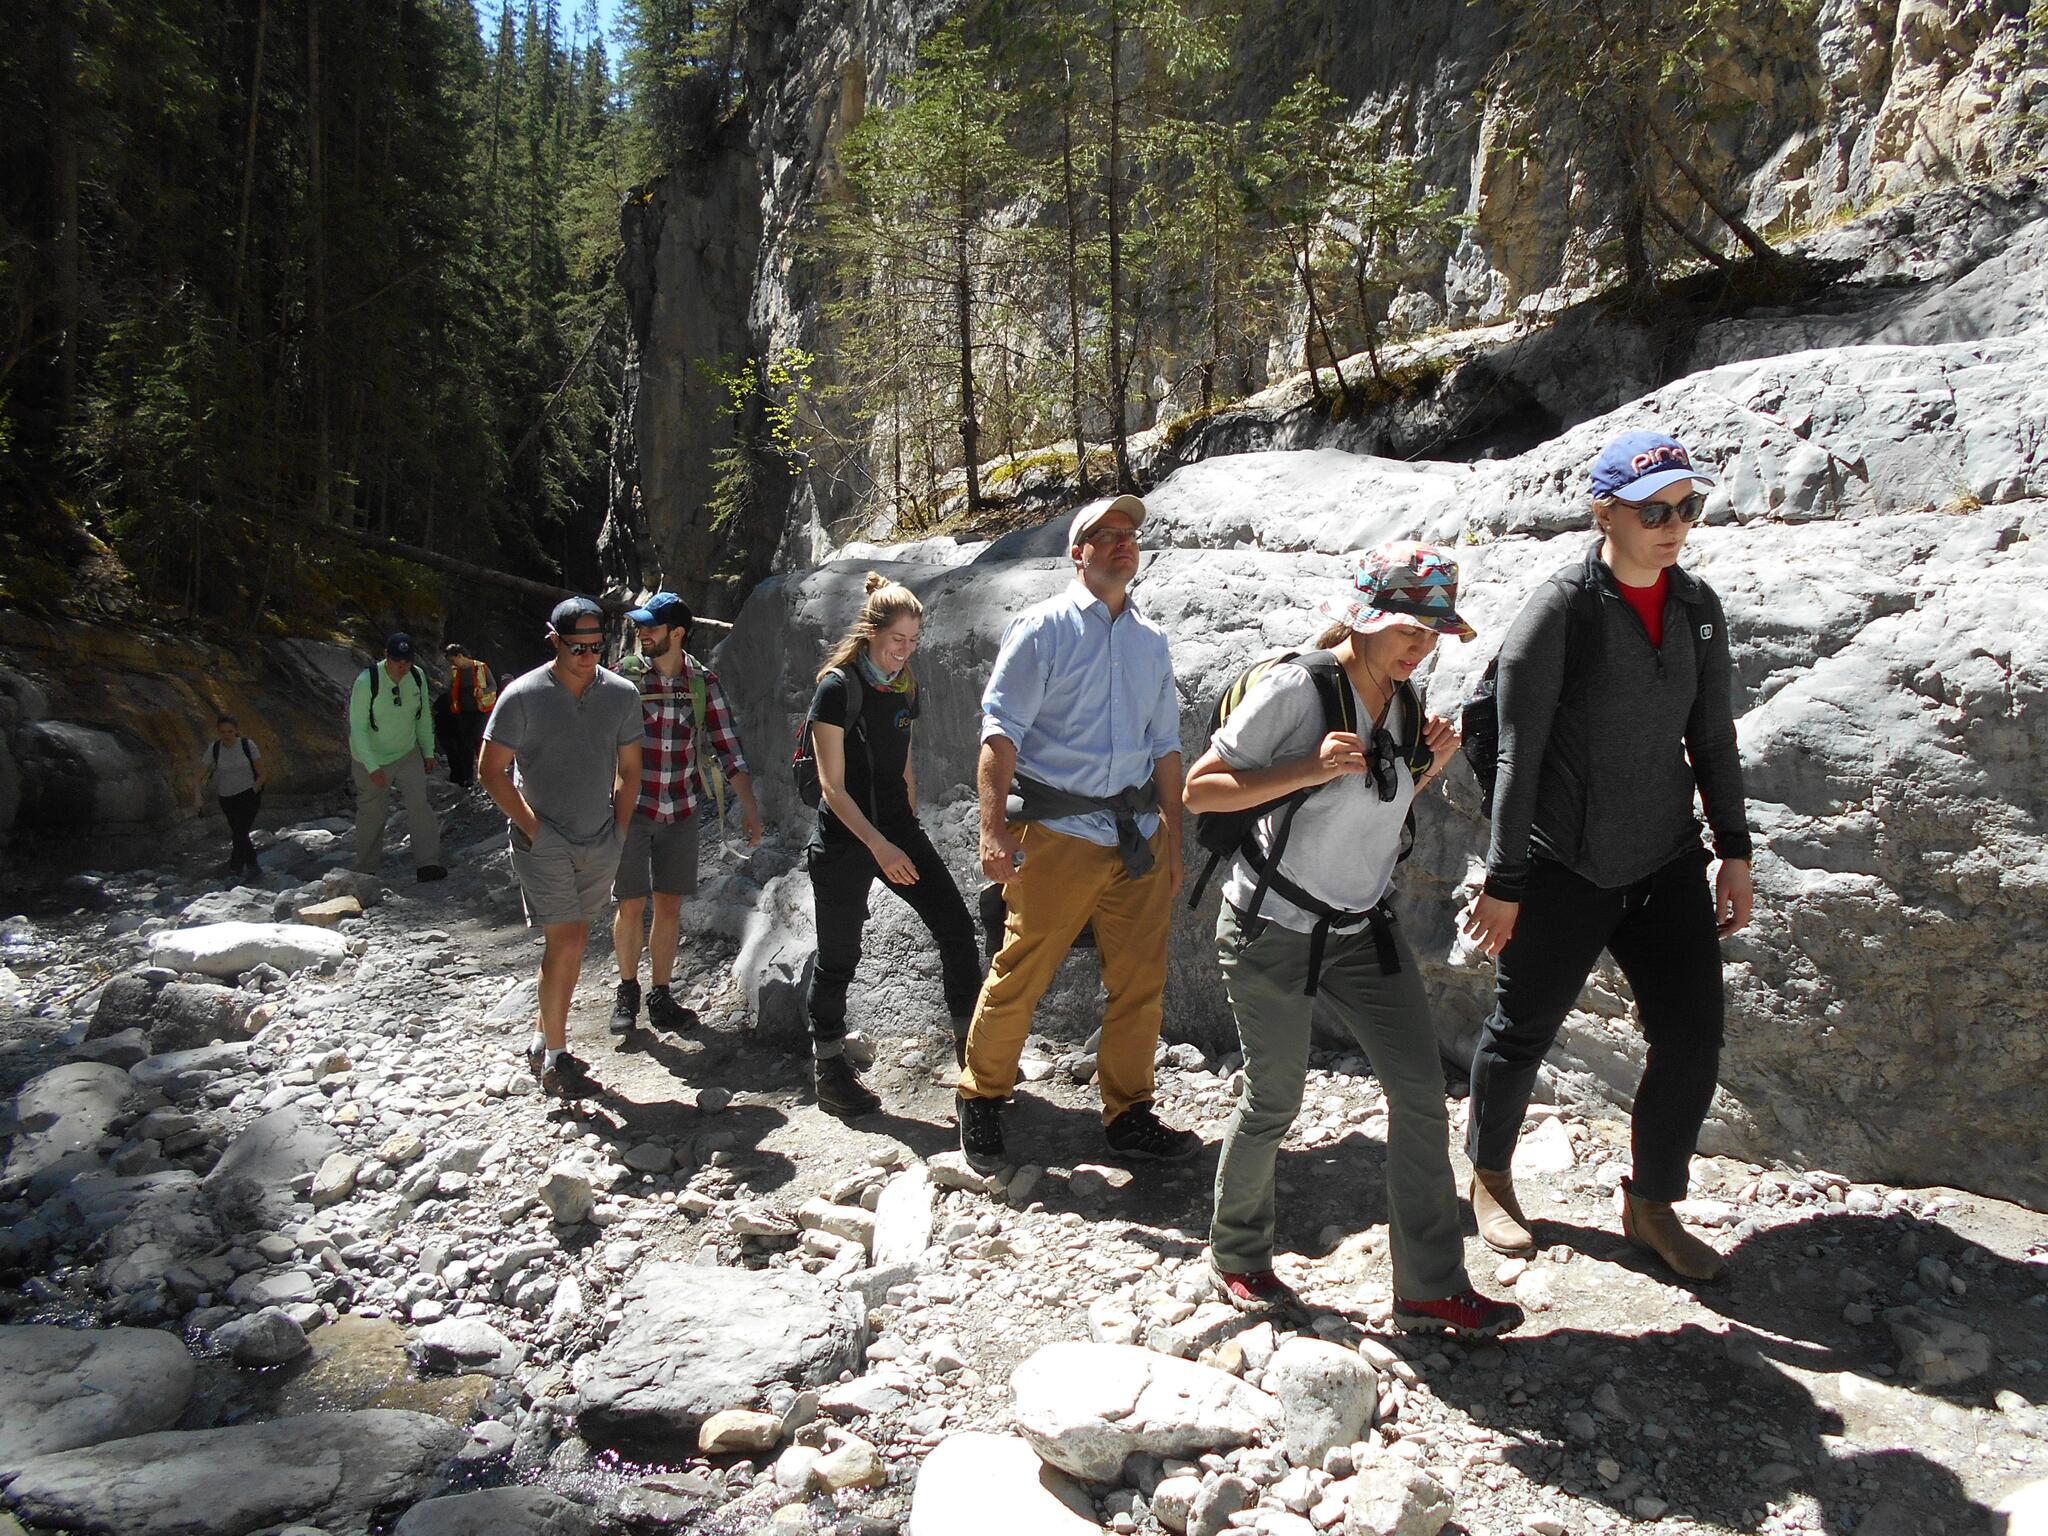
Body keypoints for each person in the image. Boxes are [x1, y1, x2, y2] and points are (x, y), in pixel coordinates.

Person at [1184, 543, 1523, 1338]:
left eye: (1432, 630)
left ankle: (1430, 1288)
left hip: (1361, 929)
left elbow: (1370, 807)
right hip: (1271, 927)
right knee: (1274, 1098)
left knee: (1420, 1095)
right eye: (1408, 626)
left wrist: (1428, 768)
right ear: (1369, 618)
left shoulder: (1404, 699)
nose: (1420, 643)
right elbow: (1202, 787)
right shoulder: (1300, 687)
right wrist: (1302, 768)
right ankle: (1237, 1255)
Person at [1461, 429, 1754, 1283]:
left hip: (1665, 860)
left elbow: (1713, 737)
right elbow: (1517, 754)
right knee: (1521, 1032)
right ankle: (1487, 1176)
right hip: (1562, 864)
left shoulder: (1697, 608)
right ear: (1605, 512)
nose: (1673, 525)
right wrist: (1506, 881)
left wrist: (1733, 851)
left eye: (1686, 507)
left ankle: (1651, 1204)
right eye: (1653, 510)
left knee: (1693, 1040)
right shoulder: (1560, 611)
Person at [956, 493, 1194, 1172]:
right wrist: (993, 830)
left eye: (1131, 536)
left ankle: (1129, 1113)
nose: (1123, 543)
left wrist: (1174, 843)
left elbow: (1166, 748)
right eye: (1106, 534)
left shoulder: (1150, 641)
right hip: (1057, 833)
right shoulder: (1044, 628)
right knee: (1023, 968)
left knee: (1140, 981)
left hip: (1137, 835)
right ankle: (982, 1094)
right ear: (1077, 552)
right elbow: (1000, 732)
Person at [804, 574, 982, 1116]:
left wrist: (907, 822)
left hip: (898, 830)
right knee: (839, 957)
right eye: (895, 641)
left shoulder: (905, 684)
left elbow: (902, 756)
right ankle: (829, 1068)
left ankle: (974, 1056)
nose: (904, 652)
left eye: (912, 642)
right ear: (870, 632)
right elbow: (832, 788)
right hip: (845, 838)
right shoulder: (836, 687)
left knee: (956, 929)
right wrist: (880, 846)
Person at [480, 597, 643, 1098]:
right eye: (577, 646)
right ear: (554, 639)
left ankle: (539, 1039)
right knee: (568, 943)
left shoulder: (621, 694)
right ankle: (556, 1058)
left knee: (567, 944)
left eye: (596, 646)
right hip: (543, 839)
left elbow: (631, 768)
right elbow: (490, 772)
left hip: (600, 838)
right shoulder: (522, 695)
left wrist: (619, 827)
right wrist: (533, 829)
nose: (588, 656)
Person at [610, 592, 765, 1037]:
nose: (641, 634)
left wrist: (749, 808)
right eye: (640, 627)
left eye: (650, 627)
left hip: (681, 809)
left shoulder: (702, 683)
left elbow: (728, 747)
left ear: (676, 633)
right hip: (631, 810)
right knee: (631, 903)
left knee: (669, 904)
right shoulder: (623, 680)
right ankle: (627, 990)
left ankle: (661, 994)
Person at [349, 633, 446, 881]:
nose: (402, 666)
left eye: (407, 661)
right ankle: (366, 870)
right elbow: (358, 728)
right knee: (372, 812)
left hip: (406, 752)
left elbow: (423, 716)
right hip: (370, 756)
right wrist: (372, 766)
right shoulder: (366, 681)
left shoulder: (417, 676)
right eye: (397, 661)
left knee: (419, 804)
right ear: (386, 656)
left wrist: (427, 750)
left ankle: (428, 864)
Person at [196, 712, 267, 876]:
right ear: (218, 732)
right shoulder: (214, 748)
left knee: (239, 833)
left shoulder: (247, 745)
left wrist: (254, 789)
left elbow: (263, 772)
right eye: (222, 732)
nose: (226, 735)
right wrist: (197, 796)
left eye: (230, 731)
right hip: (227, 798)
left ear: (236, 731)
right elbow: (198, 776)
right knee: (239, 833)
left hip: (248, 795)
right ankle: (253, 866)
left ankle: (236, 869)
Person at [441, 642, 497, 789]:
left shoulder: (481, 667)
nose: (453, 664)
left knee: (480, 740)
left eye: (453, 660)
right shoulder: (455, 672)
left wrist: (482, 692)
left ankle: (485, 775)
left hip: (481, 711)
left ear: (460, 656)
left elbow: (493, 686)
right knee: (465, 744)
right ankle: (467, 777)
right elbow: (451, 689)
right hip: (464, 712)